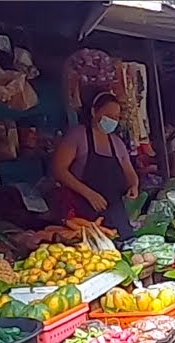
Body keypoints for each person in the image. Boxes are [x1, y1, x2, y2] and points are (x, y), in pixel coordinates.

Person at [52, 92, 139, 242]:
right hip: (82, 214)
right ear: (94, 111)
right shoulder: (78, 135)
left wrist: (134, 186)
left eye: (116, 117)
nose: (113, 120)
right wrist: (89, 194)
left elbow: (130, 172)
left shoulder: (117, 143)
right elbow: (59, 170)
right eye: (108, 115)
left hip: (115, 214)